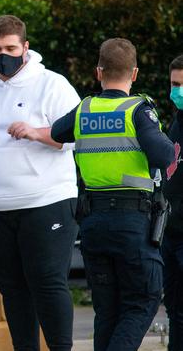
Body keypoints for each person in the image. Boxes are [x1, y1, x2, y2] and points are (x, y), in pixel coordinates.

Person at [0, 15, 81, 350]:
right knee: (12, 288)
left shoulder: (53, 84)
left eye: (10, 48)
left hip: (46, 201)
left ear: (25, 47)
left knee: (48, 283)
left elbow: (76, 137)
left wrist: (36, 132)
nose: (3, 55)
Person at [50, 38, 174, 350]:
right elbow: (163, 155)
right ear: (134, 74)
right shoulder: (138, 110)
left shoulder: (84, 109)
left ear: (98, 72)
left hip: (93, 223)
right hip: (131, 223)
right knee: (141, 301)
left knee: (107, 310)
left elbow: (56, 132)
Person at [162, 54, 183, 351]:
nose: (177, 91)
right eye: (175, 84)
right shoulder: (175, 125)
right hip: (171, 232)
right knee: (175, 313)